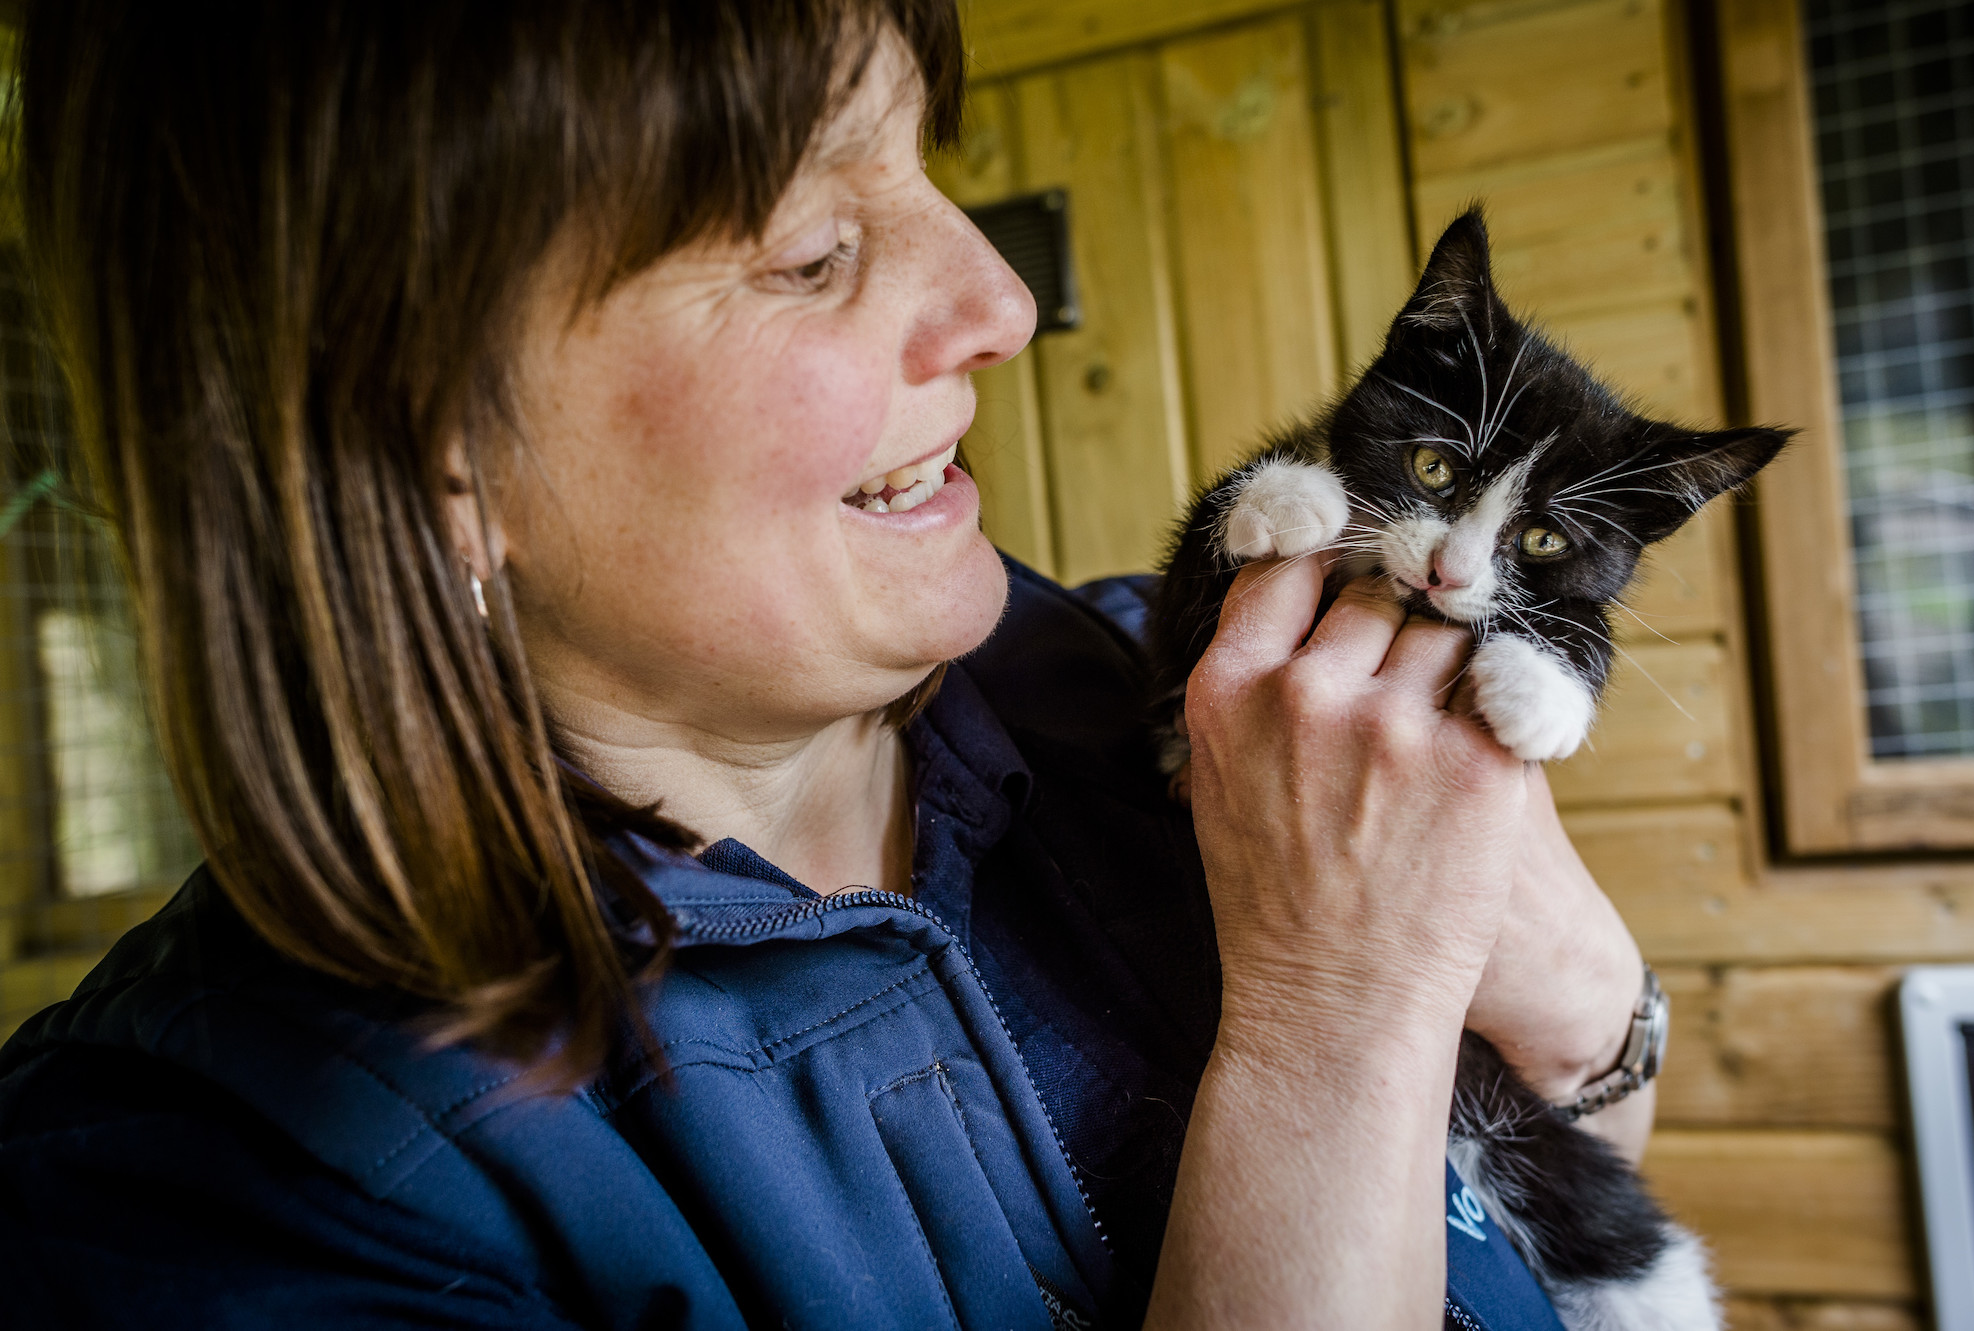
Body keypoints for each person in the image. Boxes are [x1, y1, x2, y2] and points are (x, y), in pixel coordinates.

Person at [0, 2, 1653, 1327]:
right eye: (809, 249)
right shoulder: (212, 1197)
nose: (1001, 299)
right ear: (421, 437)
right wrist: (1333, 1022)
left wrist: (1592, 1021)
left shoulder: (1168, 685)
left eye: (930, 163)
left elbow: (1544, 1239)